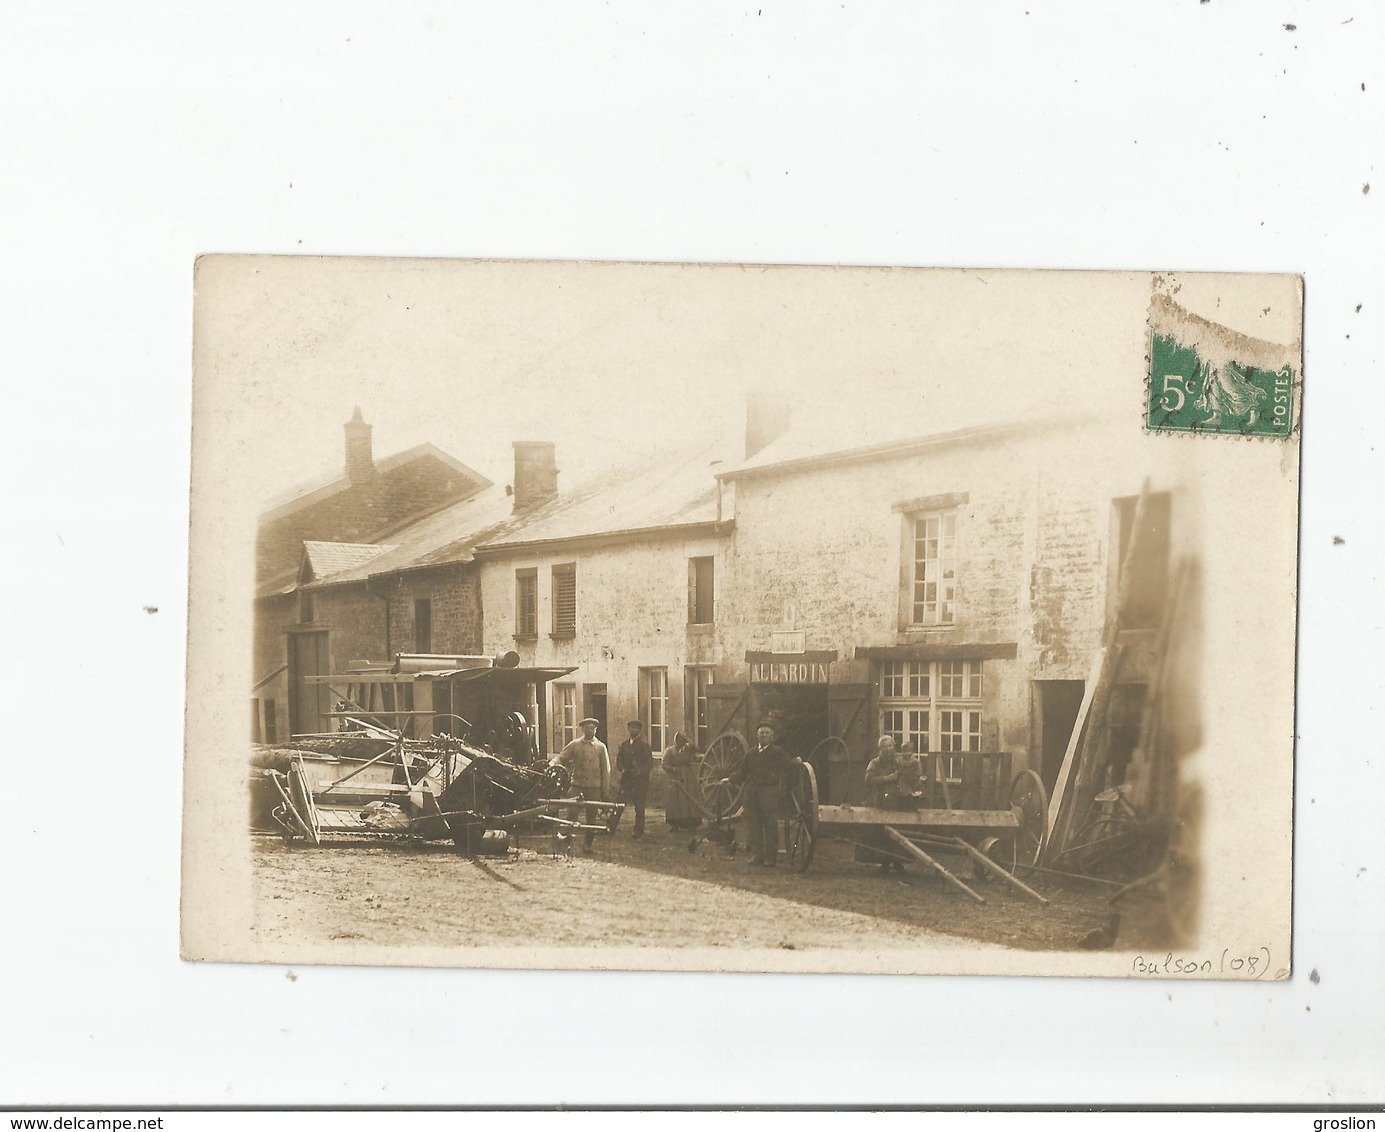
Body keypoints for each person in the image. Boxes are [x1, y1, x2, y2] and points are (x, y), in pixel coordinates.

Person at [724, 720, 797, 867]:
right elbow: (742, 772)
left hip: (769, 793)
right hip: (751, 793)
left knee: (770, 825)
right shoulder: (750, 753)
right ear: (757, 735)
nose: (763, 735)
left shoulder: (778, 753)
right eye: (761, 733)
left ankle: (770, 858)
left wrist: (797, 763)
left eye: (767, 733)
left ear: (772, 736)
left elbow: (790, 767)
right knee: (753, 825)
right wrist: (730, 779)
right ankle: (757, 856)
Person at [553, 717, 611, 853]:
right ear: (582, 729)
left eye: (592, 728)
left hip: (594, 787)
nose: (590, 730)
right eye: (587, 728)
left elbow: (606, 770)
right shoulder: (575, 744)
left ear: (596, 730)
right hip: (577, 785)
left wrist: (605, 790)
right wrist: (553, 764)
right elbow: (562, 757)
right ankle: (566, 842)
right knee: (571, 813)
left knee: (591, 817)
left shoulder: (601, 747)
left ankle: (588, 844)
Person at [615, 719, 654, 837]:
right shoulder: (624, 744)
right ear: (628, 729)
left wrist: (640, 772)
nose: (633, 730)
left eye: (636, 728)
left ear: (640, 730)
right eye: (631, 727)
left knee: (639, 806)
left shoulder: (644, 745)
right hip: (626, 779)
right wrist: (622, 769)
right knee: (619, 803)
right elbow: (619, 760)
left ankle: (638, 830)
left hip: (639, 781)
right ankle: (610, 826)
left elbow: (649, 764)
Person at [661, 731, 701, 831]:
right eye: (679, 740)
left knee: (690, 798)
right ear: (675, 740)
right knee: (675, 800)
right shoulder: (669, 751)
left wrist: (689, 740)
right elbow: (664, 764)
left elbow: (697, 749)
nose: (680, 742)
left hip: (688, 777)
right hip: (675, 777)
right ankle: (675, 824)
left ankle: (691, 823)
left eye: (683, 740)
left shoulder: (687, 750)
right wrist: (671, 769)